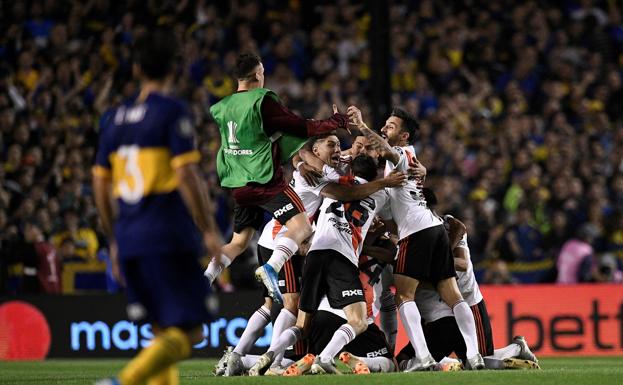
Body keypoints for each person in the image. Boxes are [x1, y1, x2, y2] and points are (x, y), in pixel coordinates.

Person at [92, 29, 222, 385]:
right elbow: (186, 174)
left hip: (130, 239)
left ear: (136, 69)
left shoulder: (114, 120)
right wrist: (209, 230)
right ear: (175, 70)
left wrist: (114, 239)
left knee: (159, 331)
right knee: (192, 331)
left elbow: (100, 184)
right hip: (166, 236)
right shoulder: (170, 112)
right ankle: (123, 382)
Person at [218, 134, 405, 376]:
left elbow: (304, 154)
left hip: (312, 251)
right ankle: (302, 360)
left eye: (346, 146)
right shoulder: (357, 186)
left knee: (297, 320)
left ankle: (261, 356)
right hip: (299, 244)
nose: (351, 149)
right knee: (353, 320)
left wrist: (300, 162)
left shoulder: (333, 175)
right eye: (357, 144)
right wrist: (386, 184)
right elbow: (306, 155)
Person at [205, 52, 350, 304]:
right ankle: (271, 267)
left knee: (238, 242)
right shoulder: (261, 101)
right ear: (257, 75)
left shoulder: (222, 107)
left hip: (239, 185)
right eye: (262, 73)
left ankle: (205, 277)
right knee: (302, 228)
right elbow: (298, 126)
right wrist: (333, 122)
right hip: (265, 182)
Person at [349, 106, 485, 370]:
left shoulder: (401, 153)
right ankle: (474, 354)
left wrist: (362, 126)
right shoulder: (397, 168)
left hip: (417, 232)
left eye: (390, 126)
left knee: (403, 296)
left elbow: (387, 152)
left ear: (404, 136)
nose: (384, 129)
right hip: (433, 229)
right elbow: (393, 208)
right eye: (384, 124)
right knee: (453, 296)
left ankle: (422, 357)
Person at [397, 189, 538, 370]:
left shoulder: (451, 226)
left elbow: (462, 263)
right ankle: (451, 362)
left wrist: (429, 260)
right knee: (469, 358)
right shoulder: (416, 230)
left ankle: (516, 348)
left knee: (483, 359)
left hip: (468, 300)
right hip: (441, 307)